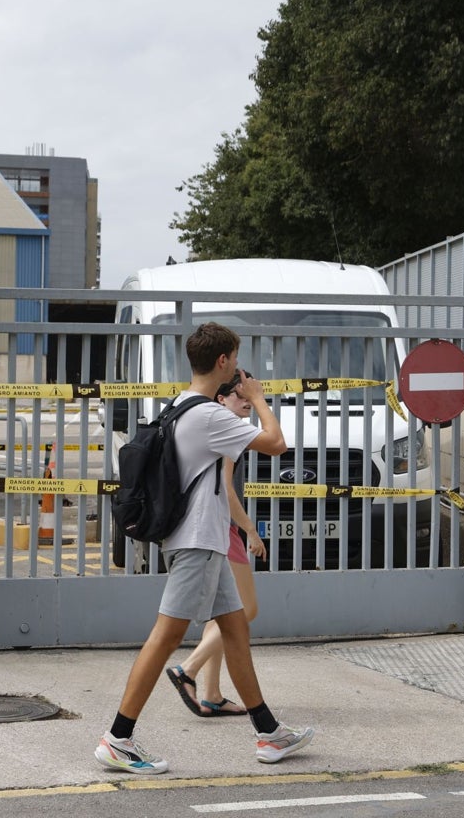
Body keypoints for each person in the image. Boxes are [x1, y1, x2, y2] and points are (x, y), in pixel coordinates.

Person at [94, 323, 315, 774]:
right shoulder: (212, 416)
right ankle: (118, 737)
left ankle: (269, 734)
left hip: (200, 540)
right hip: (197, 542)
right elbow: (277, 444)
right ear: (223, 362)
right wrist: (255, 398)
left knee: (235, 631)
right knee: (165, 638)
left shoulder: (178, 405)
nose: (237, 366)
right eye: (235, 357)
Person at [165, 371, 267, 719]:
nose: (247, 403)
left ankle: (211, 693)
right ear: (222, 399)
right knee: (245, 610)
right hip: (222, 529)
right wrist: (250, 531)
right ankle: (187, 669)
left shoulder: (214, 422)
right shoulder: (222, 427)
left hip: (219, 529)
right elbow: (227, 487)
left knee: (222, 615)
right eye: (241, 397)